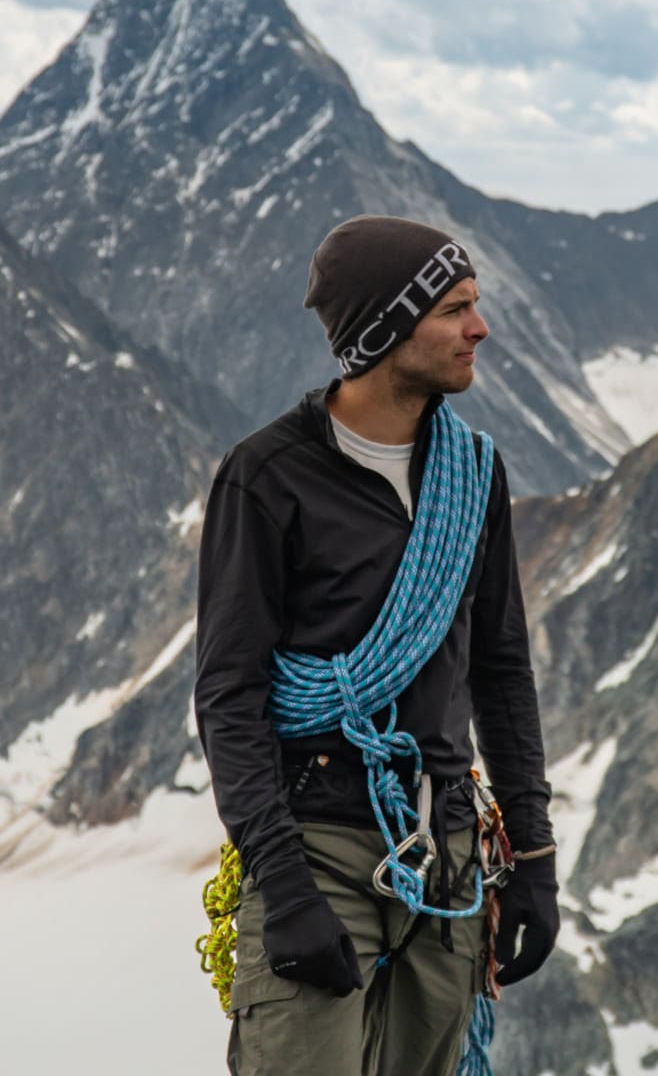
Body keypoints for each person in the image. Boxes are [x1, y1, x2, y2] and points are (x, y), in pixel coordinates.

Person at [195, 215, 559, 1076]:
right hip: (318, 846)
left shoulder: (472, 472)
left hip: (448, 859)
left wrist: (535, 861)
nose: (481, 328)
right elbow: (230, 695)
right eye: (456, 309)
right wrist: (284, 888)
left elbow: (501, 673)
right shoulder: (268, 477)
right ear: (386, 329)